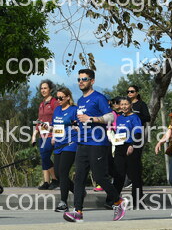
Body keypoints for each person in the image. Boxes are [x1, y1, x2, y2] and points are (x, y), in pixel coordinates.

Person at [63, 69, 127, 222]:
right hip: (82, 143)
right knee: (79, 178)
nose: (81, 82)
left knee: (99, 177)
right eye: (79, 79)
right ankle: (78, 212)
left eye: (84, 79)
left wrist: (92, 119)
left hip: (97, 143)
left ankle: (118, 201)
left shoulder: (99, 98)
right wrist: (77, 125)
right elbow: (84, 120)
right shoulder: (80, 100)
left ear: (92, 81)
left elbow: (111, 117)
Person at [113, 97, 144, 208]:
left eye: (126, 104)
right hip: (119, 147)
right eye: (122, 104)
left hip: (131, 147)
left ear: (130, 105)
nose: (124, 106)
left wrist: (132, 145)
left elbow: (138, 132)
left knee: (134, 175)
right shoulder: (119, 118)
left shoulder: (135, 117)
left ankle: (138, 202)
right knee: (118, 174)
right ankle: (115, 200)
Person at [51, 87, 78, 212]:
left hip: (70, 143)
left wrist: (76, 127)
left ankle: (63, 202)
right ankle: (78, 191)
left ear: (68, 97)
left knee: (63, 172)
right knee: (57, 173)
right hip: (58, 144)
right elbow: (55, 125)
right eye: (57, 98)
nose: (59, 100)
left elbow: (80, 124)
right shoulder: (57, 110)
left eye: (61, 97)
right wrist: (53, 136)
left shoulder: (74, 110)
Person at [32, 80, 60, 190]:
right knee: (43, 158)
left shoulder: (54, 102)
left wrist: (54, 134)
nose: (43, 90)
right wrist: (34, 134)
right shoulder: (41, 104)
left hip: (51, 134)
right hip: (42, 135)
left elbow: (58, 118)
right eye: (41, 88)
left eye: (45, 88)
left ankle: (55, 179)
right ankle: (46, 181)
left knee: (45, 156)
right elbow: (40, 120)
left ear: (50, 89)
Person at [125, 86, 150, 189]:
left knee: (135, 157)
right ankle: (129, 179)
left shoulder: (141, 104)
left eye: (132, 91)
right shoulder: (126, 104)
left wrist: (135, 117)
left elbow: (148, 117)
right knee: (125, 157)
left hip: (138, 134)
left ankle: (136, 180)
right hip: (126, 134)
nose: (129, 93)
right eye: (128, 91)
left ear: (137, 93)